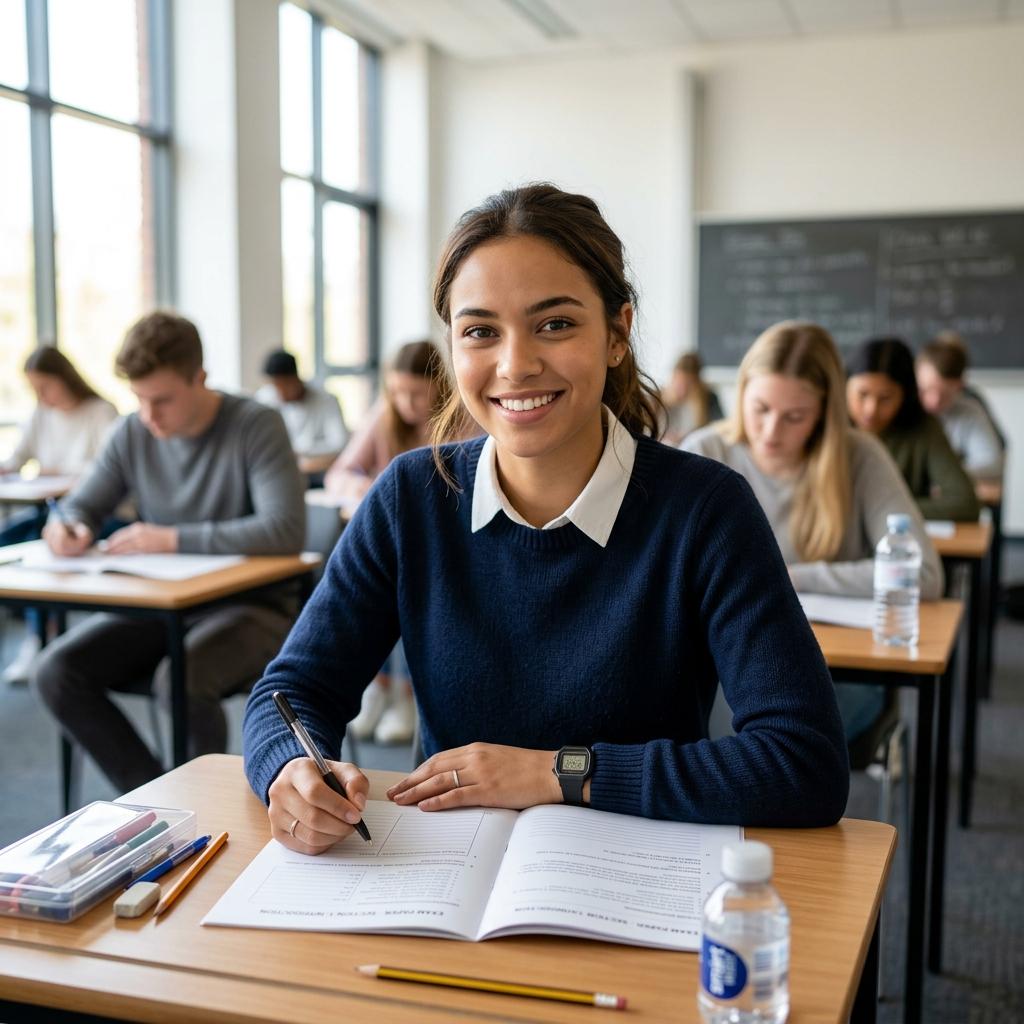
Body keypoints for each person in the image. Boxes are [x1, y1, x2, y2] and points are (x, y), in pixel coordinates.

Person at [242, 183, 849, 856]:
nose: (516, 364)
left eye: (555, 324)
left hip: (635, 875)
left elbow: (804, 762)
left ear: (618, 333)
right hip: (445, 873)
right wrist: (289, 772)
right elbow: (289, 693)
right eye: (480, 331)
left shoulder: (705, 509)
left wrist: (556, 771)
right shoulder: (412, 496)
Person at [32, 311, 306, 792]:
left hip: (255, 607)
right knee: (57, 672)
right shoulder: (134, 433)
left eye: (161, 400)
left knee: (178, 682)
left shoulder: (255, 425)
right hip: (166, 606)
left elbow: (283, 529)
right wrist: (66, 526)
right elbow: (79, 505)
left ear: (198, 378)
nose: (148, 415)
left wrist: (172, 537)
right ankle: (158, 800)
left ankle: (209, 810)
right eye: (138, 398)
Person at [682, 321, 943, 741]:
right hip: (724, 661)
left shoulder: (859, 457)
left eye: (795, 417)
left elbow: (924, 574)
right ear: (741, 392)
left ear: (824, 412)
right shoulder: (703, 452)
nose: (771, 431)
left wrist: (789, 576)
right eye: (761, 408)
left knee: (764, 731)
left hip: (833, 672)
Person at [323, 340, 449, 744]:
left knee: (416, 595)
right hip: (391, 539)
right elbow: (339, 474)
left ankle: (408, 696)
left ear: (438, 386)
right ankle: (377, 687)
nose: (405, 401)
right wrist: (380, 492)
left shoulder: (459, 419)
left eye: (415, 392)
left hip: (438, 546)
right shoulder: (385, 415)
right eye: (397, 392)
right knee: (369, 591)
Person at [0, 346, 118, 684]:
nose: (41, 395)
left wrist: (58, 470)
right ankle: (39, 627)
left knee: (38, 547)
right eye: (34, 389)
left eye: (45, 387)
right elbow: (19, 456)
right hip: (53, 508)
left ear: (65, 379)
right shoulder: (41, 414)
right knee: (8, 540)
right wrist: (8, 467)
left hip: (94, 514)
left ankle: (40, 637)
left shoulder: (101, 412)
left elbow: (106, 472)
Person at [846, 337, 980, 522]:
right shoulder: (827, 425)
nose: (871, 409)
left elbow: (964, 503)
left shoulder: (923, 428)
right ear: (844, 388)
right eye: (862, 394)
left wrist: (880, 508)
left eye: (885, 398)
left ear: (905, 395)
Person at [916, 335, 1005, 499]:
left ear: (960, 386)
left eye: (945, 394)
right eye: (926, 389)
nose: (934, 401)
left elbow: (991, 462)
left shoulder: (970, 410)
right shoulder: (896, 408)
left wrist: (945, 475)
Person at [255, 349, 349, 483]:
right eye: (274, 386)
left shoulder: (326, 400)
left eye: (283, 385)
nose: (279, 392)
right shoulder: (265, 398)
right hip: (280, 470)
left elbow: (339, 444)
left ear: (295, 378)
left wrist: (301, 455)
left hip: (319, 471)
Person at [660, 352, 724, 445]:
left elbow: (719, 429)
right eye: (679, 383)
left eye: (689, 384)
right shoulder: (657, 398)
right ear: (673, 377)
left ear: (698, 383)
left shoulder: (709, 399)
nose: (683, 390)